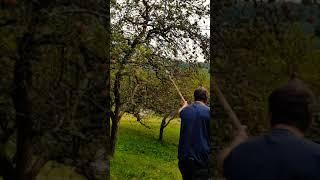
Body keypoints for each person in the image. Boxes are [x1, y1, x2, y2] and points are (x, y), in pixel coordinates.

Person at [219, 77, 320, 180]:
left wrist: (239, 139)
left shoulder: (241, 154)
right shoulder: (316, 156)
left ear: (269, 116)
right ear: (309, 120)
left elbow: (224, 163)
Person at [178, 87, 211, 180]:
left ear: (194, 97)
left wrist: (184, 105)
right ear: (206, 99)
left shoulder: (185, 111)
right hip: (201, 161)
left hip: (184, 159)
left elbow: (180, 112)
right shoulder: (209, 112)